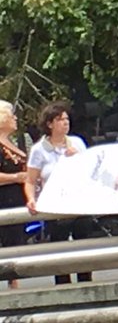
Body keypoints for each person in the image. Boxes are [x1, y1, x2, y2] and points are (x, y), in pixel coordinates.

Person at [24, 101, 94, 284]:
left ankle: (86, 284)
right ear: (49, 124)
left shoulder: (77, 143)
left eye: (66, 119)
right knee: (59, 248)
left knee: (84, 246)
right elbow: (31, 180)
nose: (65, 122)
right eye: (60, 119)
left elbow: (90, 171)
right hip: (54, 204)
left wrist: (77, 158)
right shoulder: (39, 150)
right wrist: (31, 199)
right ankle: (63, 286)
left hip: (78, 202)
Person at [0, 100, 27, 287]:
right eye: (11, 115)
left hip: (17, 198)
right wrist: (16, 177)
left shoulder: (11, 143)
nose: (15, 118)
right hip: (4, 199)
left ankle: (14, 283)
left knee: (17, 243)